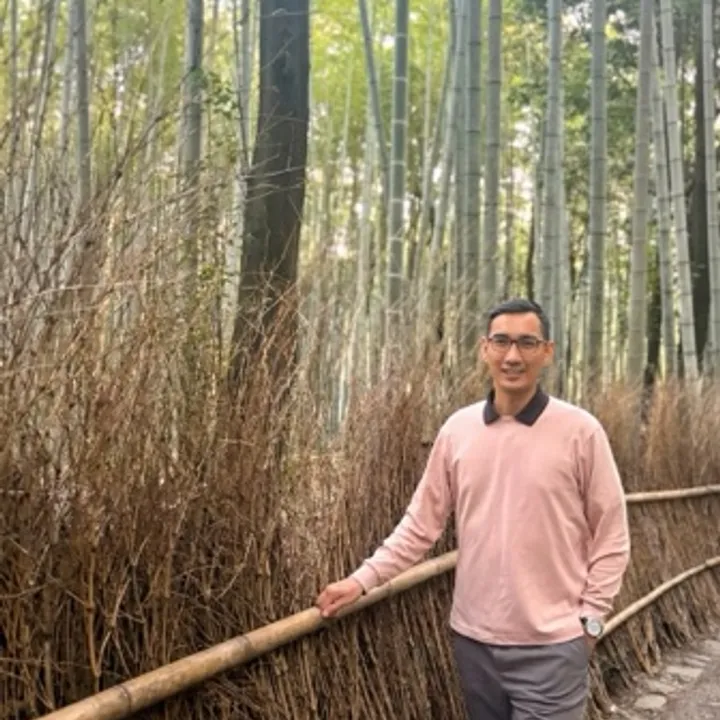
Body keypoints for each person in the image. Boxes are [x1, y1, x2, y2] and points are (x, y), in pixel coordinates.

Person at [315, 298, 631, 720]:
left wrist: (590, 621)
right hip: (474, 644)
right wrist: (361, 580)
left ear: (547, 352)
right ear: (484, 349)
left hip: (553, 646)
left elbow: (612, 535)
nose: (512, 355)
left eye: (526, 343)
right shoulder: (457, 430)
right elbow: (420, 525)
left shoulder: (581, 431)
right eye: (501, 342)